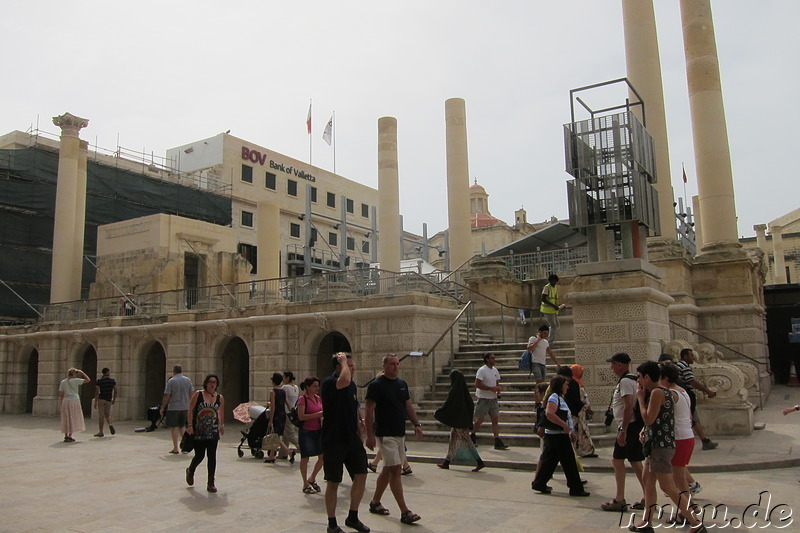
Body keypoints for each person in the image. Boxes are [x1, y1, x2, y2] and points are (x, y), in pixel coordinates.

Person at [629, 361, 707, 533]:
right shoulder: (664, 392)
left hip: (661, 446)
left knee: (668, 486)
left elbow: (648, 418)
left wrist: (641, 399)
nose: (639, 381)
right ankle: (646, 521)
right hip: (656, 444)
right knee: (648, 481)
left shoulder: (658, 392)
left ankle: (695, 522)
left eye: (640, 377)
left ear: (647, 377)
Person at [365, 355, 424, 525]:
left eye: (397, 364)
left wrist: (416, 424)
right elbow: (369, 411)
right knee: (395, 470)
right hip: (385, 433)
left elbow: (408, 405)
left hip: (400, 433)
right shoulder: (376, 385)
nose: (396, 367)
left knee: (387, 470)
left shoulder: (402, 384)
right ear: (384, 365)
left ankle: (375, 502)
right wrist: (369, 435)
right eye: (392, 364)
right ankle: (405, 511)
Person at [321, 352, 370, 533]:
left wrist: (360, 428)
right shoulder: (329, 383)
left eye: (352, 364)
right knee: (333, 481)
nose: (353, 367)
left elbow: (353, 408)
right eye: (349, 365)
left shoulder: (352, 386)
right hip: (333, 439)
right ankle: (332, 523)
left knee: (361, 474)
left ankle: (353, 516)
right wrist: (342, 363)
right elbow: (344, 381)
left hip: (351, 438)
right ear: (338, 367)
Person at [530, 375, 590, 497]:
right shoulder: (554, 397)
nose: (567, 387)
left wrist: (570, 431)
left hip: (557, 435)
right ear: (560, 386)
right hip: (557, 435)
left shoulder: (559, 398)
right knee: (569, 462)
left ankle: (539, 483)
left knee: (550, 460)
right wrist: (564, 426)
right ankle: (576, 488)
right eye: (565, 384)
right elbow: (549, 413)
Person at [601, 353, 645, 512]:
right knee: (633, 461)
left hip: (629, 427)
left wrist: (623, 430)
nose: (611, 367)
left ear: (620, 365)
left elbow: (627, 406)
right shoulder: (633, 379)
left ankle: (620, 499)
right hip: (632, 426)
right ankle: (647, 496)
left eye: (613, 364)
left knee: (619, 461)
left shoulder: (626, 381)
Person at [435, 369, 485, 472]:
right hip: (460, 421)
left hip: (459, 422)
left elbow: (448, 403)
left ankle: (479, 461)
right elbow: (470, 405)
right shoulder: (464, 391)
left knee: (468, 441)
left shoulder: (455, 391)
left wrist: (440, 412)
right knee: (453, 439)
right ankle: (447, 462)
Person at [660, 362, 696, 503]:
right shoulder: (682, 390)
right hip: (687, 436)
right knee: (680, 477)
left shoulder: (670, 393)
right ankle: (689, 507)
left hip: (679, 437)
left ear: (666, 378)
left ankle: (687, 510)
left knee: (679, 479)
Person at [186, 374, 225, 493]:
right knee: (200, 455)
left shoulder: (220, 398)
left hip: (213, 431)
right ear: (206, 383)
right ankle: (190, 470)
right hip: (199, 430)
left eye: (214, 382)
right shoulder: (198, 395)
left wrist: (221, 425)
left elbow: (220, 412)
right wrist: (190, 426)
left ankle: (211, 483)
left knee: (212, 456)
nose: (212, 384)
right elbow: (191, 410)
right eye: (210, 382)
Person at [677, 348, 719, 451]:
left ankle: (704, 440)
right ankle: (703, 441)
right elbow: (692, 381)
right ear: (685, 356)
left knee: (694, 418)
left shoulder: (679, 366)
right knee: (693, 418)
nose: (693, 357)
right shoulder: (684, 367)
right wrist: (707, 391)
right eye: (691, 355)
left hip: (682, 396)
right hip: (685, 396)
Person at [471, 352, 509, 450]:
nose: (494, 359)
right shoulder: (482, 370)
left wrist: (498, 390)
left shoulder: (495, 370)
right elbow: (477, 384)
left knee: (495, 419)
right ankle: (472, 435)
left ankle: (497, 440)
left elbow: (496, 382)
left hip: (493, 399)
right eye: (492, 358)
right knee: (480, 419)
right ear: (487, 359)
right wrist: (490, 388)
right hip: (483, 398)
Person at [298, 376, 324, 494]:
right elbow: (301, 416)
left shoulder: (318, 398)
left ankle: (312, 478)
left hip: (318, 431)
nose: (317, 388)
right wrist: (318, 414)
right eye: (314, 386)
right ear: (307, 387)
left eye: (318, 386)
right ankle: (305, 483)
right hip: (306, 431)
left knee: (322, 457)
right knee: (305, 458)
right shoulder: (303, 399)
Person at [161, 365, 194, 454]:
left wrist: (162, 407)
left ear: (174, 371)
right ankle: (185, 446)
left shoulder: (171, 381)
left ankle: (175, 448)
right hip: (184, 407)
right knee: (182, 426)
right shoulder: (187, 380)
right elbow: (192, 393)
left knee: (174, 427)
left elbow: (167, 395)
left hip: (174, 407)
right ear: (181, 371)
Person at [266, 372, 293, 463]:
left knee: (276, 436)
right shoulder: (282, 391)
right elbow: (287, 403)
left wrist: (271, 420)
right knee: (277, 435)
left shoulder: (272, 392)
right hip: (283, 414)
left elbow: (273, 406)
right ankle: (272, 455)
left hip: (276, 415)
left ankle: (288, 451)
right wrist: (292, 412)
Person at [570, 364, 596, 458]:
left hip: (580, 411)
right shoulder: (575, 384)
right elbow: (581, 398)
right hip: (579, 412)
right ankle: (585, 450)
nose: (582, 373)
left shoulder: (576, 383)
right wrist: (586, 407)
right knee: (582, 432)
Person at [59, 368, 90, 442]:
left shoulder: (63, 382)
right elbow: (88, 380)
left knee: (66, 418)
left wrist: (61, 402)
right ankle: (70, 435)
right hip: (74, 400)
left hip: (66, 400)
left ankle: (66, 435)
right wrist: (82, 373)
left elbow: (61, 393)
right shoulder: (75, 380)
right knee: (72, 417)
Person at [540, 274, 566, 346]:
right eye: (553, 281)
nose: (554, 282)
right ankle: (549, 344)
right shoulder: (547, 287)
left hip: (553, 310)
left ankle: (548, 339)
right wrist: (553, 306)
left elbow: (554, 299)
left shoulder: (554, 288)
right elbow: (543, 299)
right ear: (550, 281)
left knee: (556, 325)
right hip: (547, 310)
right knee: (553, 326)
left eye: (555, 281)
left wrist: (558, 306)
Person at [281, 371, 300, 460]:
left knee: (290, 434)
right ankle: (283, 453)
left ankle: (302, 447)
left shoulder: (285, 387)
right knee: (286, 434)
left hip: (286, 412)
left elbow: (283, 398)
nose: (283, 379)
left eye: (284, 377)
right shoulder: (296, 387)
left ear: (287, 378)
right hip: (293, 412)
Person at [94, 367, 117, 437]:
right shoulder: (112, 381)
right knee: (108, 414)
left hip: (101, 399)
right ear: (107, 372)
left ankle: (101, 432)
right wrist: (114, 399)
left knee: (101, 416)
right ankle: (110, 424)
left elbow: (97, 392)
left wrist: (95, 402)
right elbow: (116, 391)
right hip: (108, 399)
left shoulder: (99, 381)